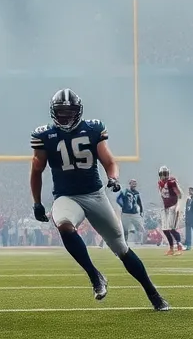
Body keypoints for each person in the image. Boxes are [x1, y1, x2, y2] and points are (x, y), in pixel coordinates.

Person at [29, 88, 168, 310]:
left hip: (95, 194)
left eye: (70, 111)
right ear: (54, 112)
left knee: (121, 248)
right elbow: (36, 170)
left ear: (79, 111)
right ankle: (95, 276)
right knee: (64, 225)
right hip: (67, 197)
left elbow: (109, 161)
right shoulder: (44, 135)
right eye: (61, 112)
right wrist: (36, 202)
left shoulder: (92, 129)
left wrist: (113, 178)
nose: (66, 116)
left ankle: (153, 293)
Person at [157, 166, 183, 254]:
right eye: (163, 174)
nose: (165, 176)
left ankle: (179, 245)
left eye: (166, 174)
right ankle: (171, 248)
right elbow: (162, 196)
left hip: (173, 206)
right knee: (165, 229)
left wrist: (178, 205)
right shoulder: (159, 183)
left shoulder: (172, 182)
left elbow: (179, 194)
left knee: (171, 228)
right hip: (165, 207)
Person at [116, 179, 146, 245]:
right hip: (125, 213)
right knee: (125, 229)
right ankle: (124, 243)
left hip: (134, 213)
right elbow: (118, 199)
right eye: (133, 183)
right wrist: (122, 205)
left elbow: (139, 202)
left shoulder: (136, 193)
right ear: (130, 184)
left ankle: (142, 241)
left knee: (140, 227)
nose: (134, 184)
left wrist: (141, 211)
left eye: (135, 183)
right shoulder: (124, 192)